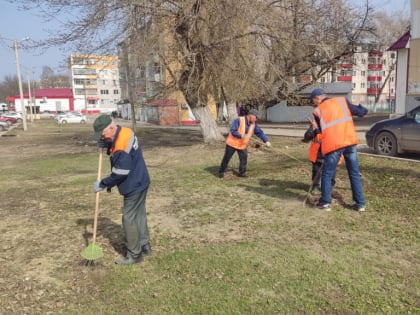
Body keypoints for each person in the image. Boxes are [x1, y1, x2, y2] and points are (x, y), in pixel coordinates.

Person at [93, 114, 152, 265]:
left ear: (111, 128)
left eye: (103, 134)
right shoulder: (126, 131)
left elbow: (120, 172)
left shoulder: (120, 147)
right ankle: (145, 245)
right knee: (139, 214)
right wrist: (106, 145)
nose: (102, 136)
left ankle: (135, 255)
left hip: (133, 184)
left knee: (128, 217)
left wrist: (103, 183)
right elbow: (119, 147)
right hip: (142, 179)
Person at [309, 88, 368, 211]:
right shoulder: (342, 101)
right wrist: (363, 108)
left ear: (317, 98)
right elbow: (360, 112)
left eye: (313, 101)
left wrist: (314, 129)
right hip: (350, 142)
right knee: (354, 173)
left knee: (327, 173)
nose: (314, 103)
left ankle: (325, 203)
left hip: (333, 145)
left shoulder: (318, 111)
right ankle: (360, 204)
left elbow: (319, 132)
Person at [218, 109, 271, 178]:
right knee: (226, 158)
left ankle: (242, 173)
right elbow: (233, 131)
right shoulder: (239, 120)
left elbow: (259, 133)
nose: (256, 119)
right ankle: (221, 172)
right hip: (232, 144)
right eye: (256, 117)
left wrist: (266, 141)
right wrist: (241, 135)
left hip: (242, 145)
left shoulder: (253, 124)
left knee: (244, 159)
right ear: (251, 115)